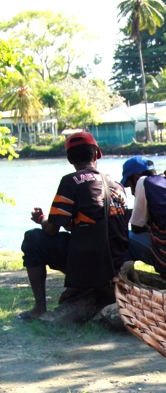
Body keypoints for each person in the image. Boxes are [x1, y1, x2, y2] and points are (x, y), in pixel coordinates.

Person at [19, 132, 130, 320]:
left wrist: (41, 219)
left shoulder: (71, 182)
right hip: (116, 261)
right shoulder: (116, 184)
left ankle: (39, 309)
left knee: (32, 239)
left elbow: (52, 229)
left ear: (70, 159)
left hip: (90, 261)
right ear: (96, 154)